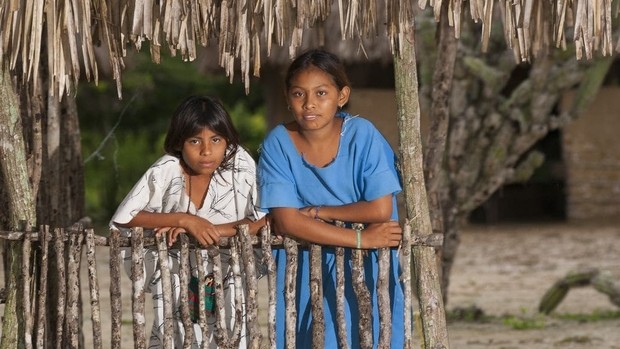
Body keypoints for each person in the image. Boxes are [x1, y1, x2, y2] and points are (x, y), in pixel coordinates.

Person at [257, 49, 405, 348]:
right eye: (299, 94)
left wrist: (317, 212)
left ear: (342, 95)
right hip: (303, 263)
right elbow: (286, 221)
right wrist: (363, 239)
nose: (309, 103)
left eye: (321, 93)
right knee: (309, 337)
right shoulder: (277, 142)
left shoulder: (363, 134)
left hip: (365, 265)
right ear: (287, 97)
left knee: (369, 332)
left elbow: (379, 208)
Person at [110, 95, 266, 348]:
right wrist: (185, 219)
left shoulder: (239, 164)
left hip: (229, 275)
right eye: (195, 141)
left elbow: (261, 219)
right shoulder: (166, 170)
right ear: (179, 142)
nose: (206, 151)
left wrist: (210, 230)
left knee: (233, 334)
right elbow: (125, 217)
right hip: (175, 277)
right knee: (176, 336)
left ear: (227, 140)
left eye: (215, 140)